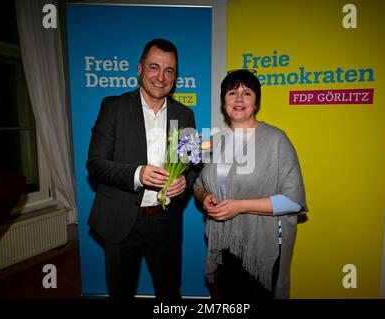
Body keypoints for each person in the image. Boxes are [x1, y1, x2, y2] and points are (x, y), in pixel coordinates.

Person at [86, 38, 198, 299]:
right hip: (121, 219)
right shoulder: (113, 107)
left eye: (169, 70)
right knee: (121, 292)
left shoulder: (185, 115)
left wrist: (185, 182)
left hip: (166, 221)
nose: (161, 77)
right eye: (154, 67)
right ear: (139, 68)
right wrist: (138, 174)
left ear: (175, 76)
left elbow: (193, 166)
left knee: (170, 293)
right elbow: (95, 163)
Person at [194, 69, 308, 299]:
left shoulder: (276, 139)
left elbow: (294, 202)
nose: (238, 99)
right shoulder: (215, 141)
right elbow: (198, 182)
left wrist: (240, 206)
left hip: (260, 250)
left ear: (256, 102)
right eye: (232, 92)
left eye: (247, 93)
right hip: (223, 245)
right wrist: (205, 196)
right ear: (223, 101)